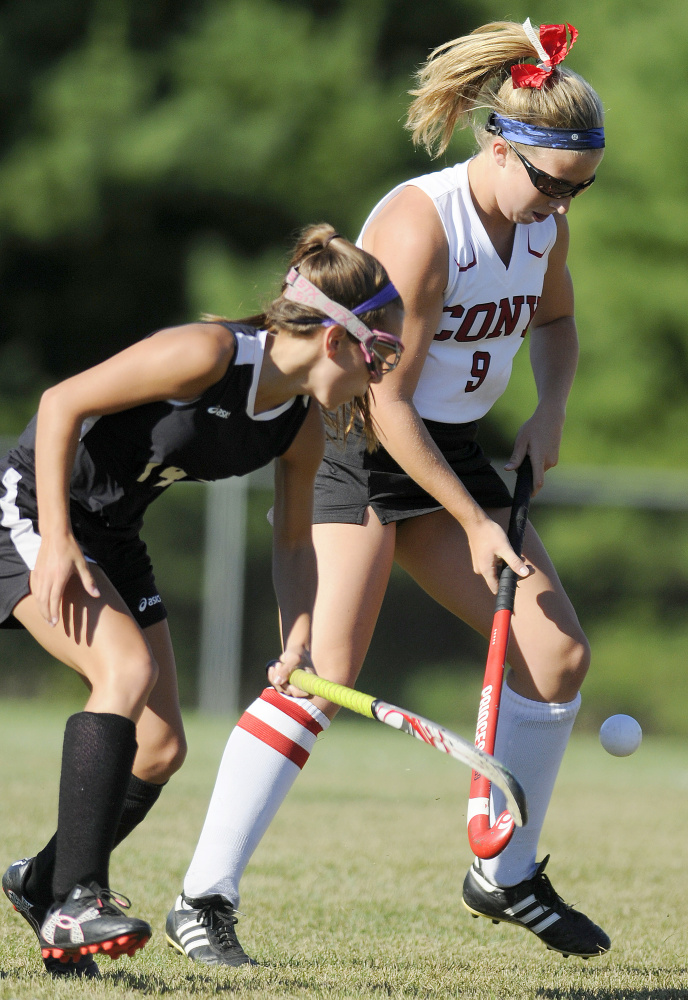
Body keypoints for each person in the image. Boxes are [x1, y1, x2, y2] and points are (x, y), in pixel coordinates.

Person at [167, 17, 610, 966]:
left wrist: (552, 409)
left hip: (456, 451)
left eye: (583, 186)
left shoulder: (544, 223)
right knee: (323, 669)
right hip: (369, 448)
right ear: (501, 145)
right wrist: (472, 521)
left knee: (560, 657)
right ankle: (203, 897)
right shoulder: (422, 225)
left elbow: (559, 323)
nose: (565, 205)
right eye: (552, 183)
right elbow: (389, 398)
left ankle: (505, 872)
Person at [0, 223, 403, 978]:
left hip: (113, 532)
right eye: (383, 352)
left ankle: (40, 884)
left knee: (160, 749)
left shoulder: (298, 424)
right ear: (337, 339)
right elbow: (59, 405)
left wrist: (299, 637)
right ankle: (77, 900)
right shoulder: (207, 353)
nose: (381, 374)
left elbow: (291, 540)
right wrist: (54, 538)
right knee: (122, 674)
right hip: (29, 508)